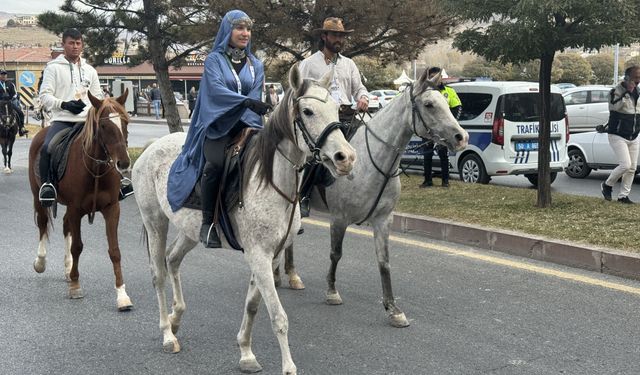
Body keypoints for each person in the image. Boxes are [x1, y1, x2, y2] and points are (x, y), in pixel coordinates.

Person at [167, 10, 269, 248]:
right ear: (227, 31)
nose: (245, 33)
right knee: (215, 165)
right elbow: (216, 91)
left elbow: (254, 95)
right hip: (218, 125)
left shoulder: (257, 64)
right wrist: (243, 102)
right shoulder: (214, 60)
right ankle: (208, 224)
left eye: (248, 29)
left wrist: (250, 110)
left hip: (248, 124)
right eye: (239, 28)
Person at [297, 17, 369, 218]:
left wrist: (363, 97)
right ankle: (304, 195)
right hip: (323, 119)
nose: (339, 39)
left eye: (342, 36)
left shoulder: (350, 64)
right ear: (324, 36)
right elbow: (298, 93)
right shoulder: (308, 64)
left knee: (370, 142)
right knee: (315, 153)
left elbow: (359, 88)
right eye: (335, 35)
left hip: (347, 115)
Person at [601, 65, 640, 204]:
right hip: (617, 134)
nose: (638, 81)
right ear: (627, 77)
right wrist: (626, 93)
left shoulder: (639, 91)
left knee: (632, 168)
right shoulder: (615, 91)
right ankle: (607, 185)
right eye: (635, 78)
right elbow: (614, 107)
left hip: (633, 134)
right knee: (625, 164)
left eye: (639, 78)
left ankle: (623, 195)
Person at [420, 67, 462, 188]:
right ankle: (427, 180)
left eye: (437, 77)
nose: (435, 79)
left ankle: (445, 181)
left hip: (444, 131)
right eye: (432, 76)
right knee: (427, 155)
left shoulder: (449, 91)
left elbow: (458, 107)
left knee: (443, 155)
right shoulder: (425, 93)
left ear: (441, 77)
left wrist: (451, 125)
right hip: (429, 130)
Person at [0, 69, 28, 136]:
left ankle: (22, 128)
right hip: (0, 103)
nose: (4, 76)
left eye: (5, 74)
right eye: (2, 74)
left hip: (9, 103)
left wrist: (12, 98)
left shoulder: (11, 84)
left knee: (20, 113)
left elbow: (15, 94)